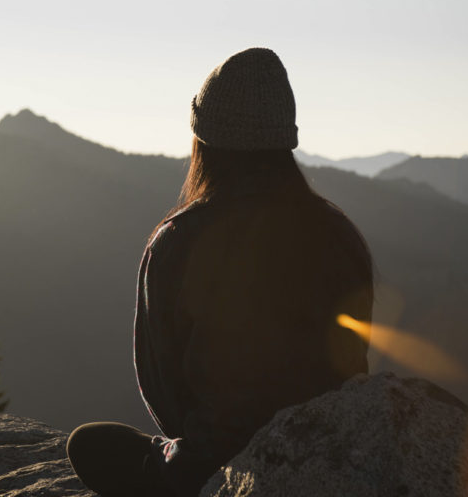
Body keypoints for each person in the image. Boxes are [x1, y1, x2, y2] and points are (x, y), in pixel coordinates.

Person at [66, 48, 374, 497]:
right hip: (329, 458)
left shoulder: (178, 239)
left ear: (203, 140)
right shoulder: (338, 235)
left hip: (217, 470)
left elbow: (160, 384)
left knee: (91, 444)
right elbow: (352, 364)